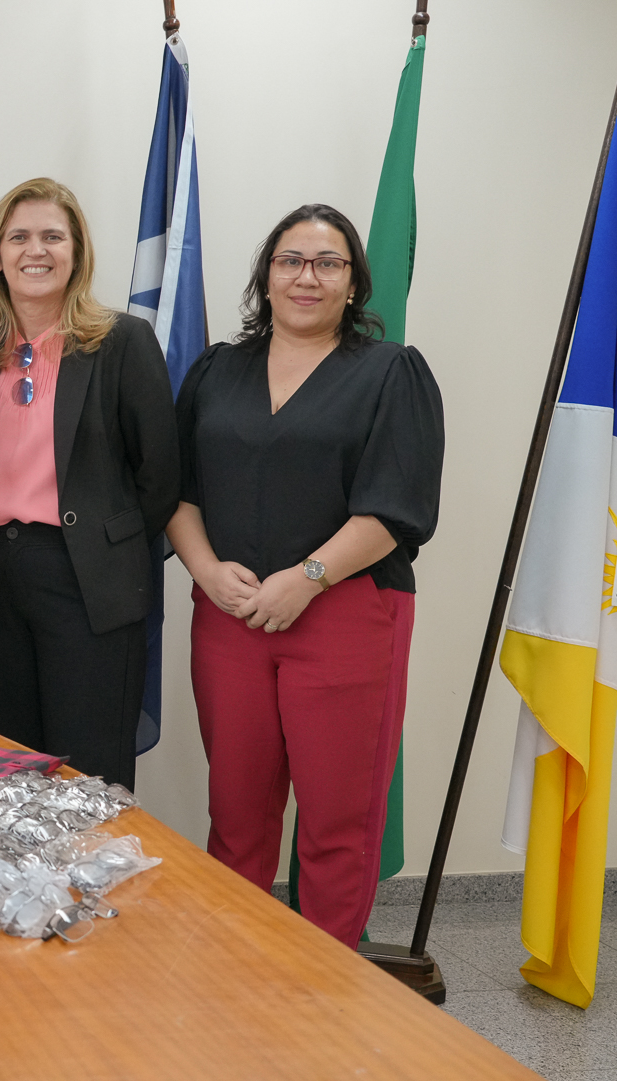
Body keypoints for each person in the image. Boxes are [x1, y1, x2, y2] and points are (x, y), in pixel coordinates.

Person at [168, 204, 443, 946]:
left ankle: (325, 996)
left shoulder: (391, 373)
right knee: (236, 813)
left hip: (348, 616)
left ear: (354, 284)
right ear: (266, 274)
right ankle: (237, 972)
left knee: (336, 822)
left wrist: (309, 577)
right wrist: (204, 568)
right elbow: (177, 492)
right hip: (229, 616)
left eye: (328, 263)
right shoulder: (216, 370)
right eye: (290, 260)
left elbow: (398, 505)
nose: (307, 277)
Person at [0, 178, 179, 789]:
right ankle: (16, 884)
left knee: (88, 769)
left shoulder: (121, 341)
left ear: (76, 251)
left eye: (53, 236)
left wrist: (110, 545)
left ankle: (95, 888)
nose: (37, 250)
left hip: (87, 578)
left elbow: (160, 474)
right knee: (5, 764)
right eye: (20, 236)